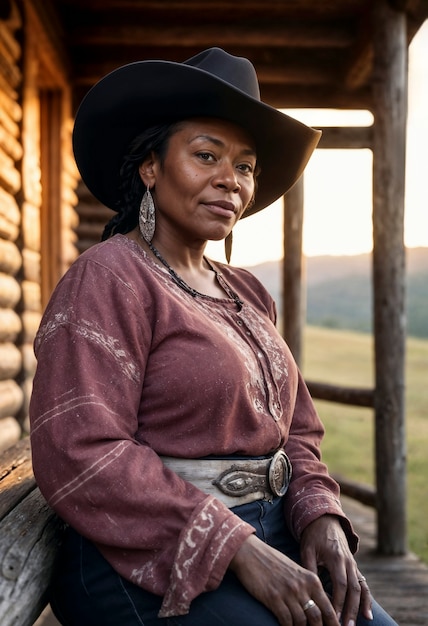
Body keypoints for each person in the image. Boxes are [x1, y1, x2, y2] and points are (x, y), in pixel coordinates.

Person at [29, 48, 397, 626]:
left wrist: (319, 513)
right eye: (207, 156)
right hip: (142, 555)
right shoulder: (108, 277)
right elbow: (82, 450)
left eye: (246, 167)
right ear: (151, 167)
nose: (232, 181)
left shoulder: (247, 293)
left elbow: (295, 427)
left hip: (273, 534)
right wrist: (236, 547)